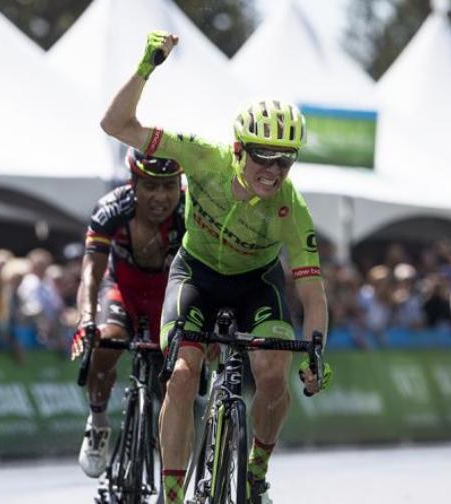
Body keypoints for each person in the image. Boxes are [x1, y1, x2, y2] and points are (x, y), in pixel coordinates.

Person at [99, 31, 332, 504]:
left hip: (255, 286)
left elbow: (312, 293)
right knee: (182, 375)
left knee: (272, 374)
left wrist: (316, 356)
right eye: (263, 157)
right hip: (196, 278)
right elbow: (115, 123)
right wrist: (148, 64)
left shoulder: (292, 208)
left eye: (285, 161)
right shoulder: (202, 157)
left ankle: (256, 471)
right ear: (239, 149)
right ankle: (171, 493)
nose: (273, 170)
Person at [71, 147, 185, 478]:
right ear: (133, 183)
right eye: (151, 186)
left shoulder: (192, 212)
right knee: (107, 343)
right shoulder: (110, 209)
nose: (161, 197)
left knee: (176, 376)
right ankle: (98, 421)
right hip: (121, 287)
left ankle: (171, 463)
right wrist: (86, 320)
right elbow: (90, 273)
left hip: (168, 293)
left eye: (169, 186)